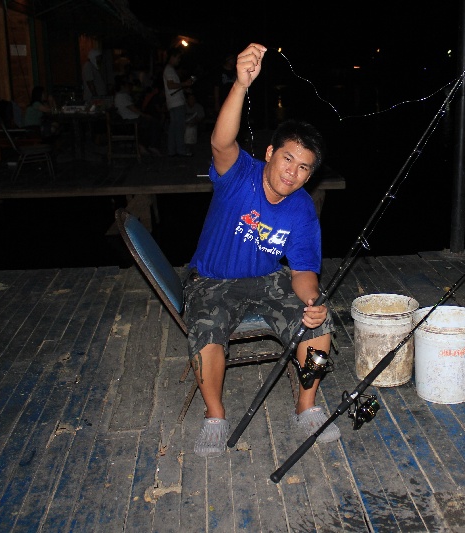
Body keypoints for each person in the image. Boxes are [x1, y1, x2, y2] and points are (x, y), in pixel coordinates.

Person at [184, 42, 339, 458]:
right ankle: (215, 415)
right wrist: (240, 84)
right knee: (207, 329)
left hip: (266, 279)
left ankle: (306, 407)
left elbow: (304, 269)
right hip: (212, 279)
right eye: (288, 159)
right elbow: (220, 141)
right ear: (270, 153)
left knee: (320, 327)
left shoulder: (303, 210)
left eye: (304, 167)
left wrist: (312, 300)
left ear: (310, 175)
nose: (293, 172)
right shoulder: (239, 174)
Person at [113, 75, 163, 156]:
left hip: (132, 118)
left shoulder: (123, 95)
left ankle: (145, 145)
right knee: (152, 122)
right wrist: (144, 115)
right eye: (128, 85)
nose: (130, 87)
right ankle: (150, 145)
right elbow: (133, 109)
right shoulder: (121, 96)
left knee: (151, 122)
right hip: (130, 120)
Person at [163, 47, 195, 157]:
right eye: (177, 58)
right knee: (179, 128)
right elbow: (171, 85)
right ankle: (181, 150)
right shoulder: (169, 69)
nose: (179, 60)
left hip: (174, 103)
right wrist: (184, 84)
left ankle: (172, 150)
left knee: (173, 128)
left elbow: (173, 87)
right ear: (172, 57)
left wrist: (184, 89)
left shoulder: (170, 70)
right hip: (176, 104)